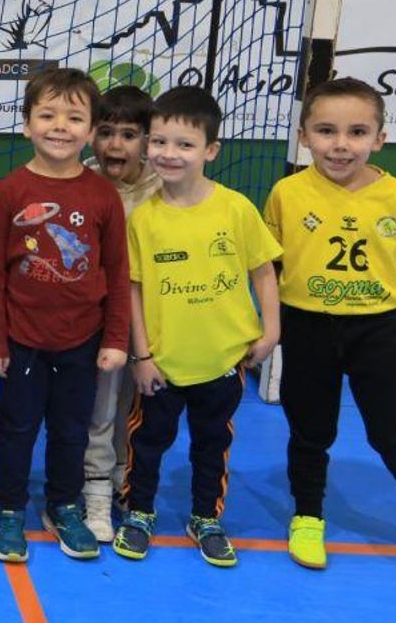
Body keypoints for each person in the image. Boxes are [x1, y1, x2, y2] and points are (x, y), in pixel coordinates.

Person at [263, 77, 396, 573]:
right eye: (326, 131)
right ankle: (308, 515)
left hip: (377, 329)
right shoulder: (287, 193)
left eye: (357, 132)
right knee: (310, 431)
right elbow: (273, 266)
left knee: (390, 432)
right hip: (307, 325)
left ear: (379, 138)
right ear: (305, 135)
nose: (341, 144)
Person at [111, 86, 281, 567]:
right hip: (163, 363)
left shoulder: (236, 209)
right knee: (147, 443)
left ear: (210, 150)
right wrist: (142, 356)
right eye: (160, 141)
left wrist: (271, 331)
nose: (169, 153)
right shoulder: (143, 220)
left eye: (184, 144)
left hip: (224, 359)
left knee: (213, 443)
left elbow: (263, 270)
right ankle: (140, 511)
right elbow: (134, 291)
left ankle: (205, 516)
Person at [0, 67, 130, 563]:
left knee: (72, 430)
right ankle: (6, 508)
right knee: (17, 426)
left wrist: (116, 338)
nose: (60, 126)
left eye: (73, 117)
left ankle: (64, 505)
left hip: (82, 339)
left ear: (90, 130)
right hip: (22, 338)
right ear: (26, 124)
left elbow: (116, 270)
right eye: (47, 115)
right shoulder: (8, 191)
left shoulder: (102, 195)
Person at [80, 85, 161, 541]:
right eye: (106, 132)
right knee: (100, 403)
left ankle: (124, 479)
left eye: (128, 135)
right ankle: (93, 485)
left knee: (140, 402)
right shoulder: (83, 181)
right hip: (99, 317)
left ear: (147, 140)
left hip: (151, 318)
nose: (115, 145)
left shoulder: (162, 187)